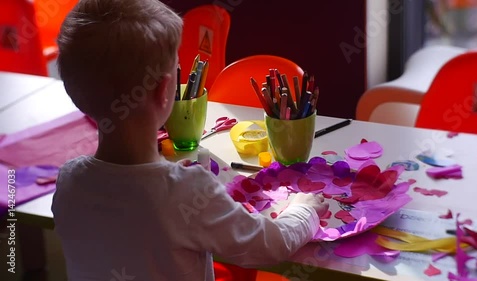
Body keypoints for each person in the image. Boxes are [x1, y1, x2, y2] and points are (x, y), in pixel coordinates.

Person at [51, 0, 329, 280]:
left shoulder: (69, 180)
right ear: (164, 91)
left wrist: (171, 178)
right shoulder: (186, 192)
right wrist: (304, 211)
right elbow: (270, 245)